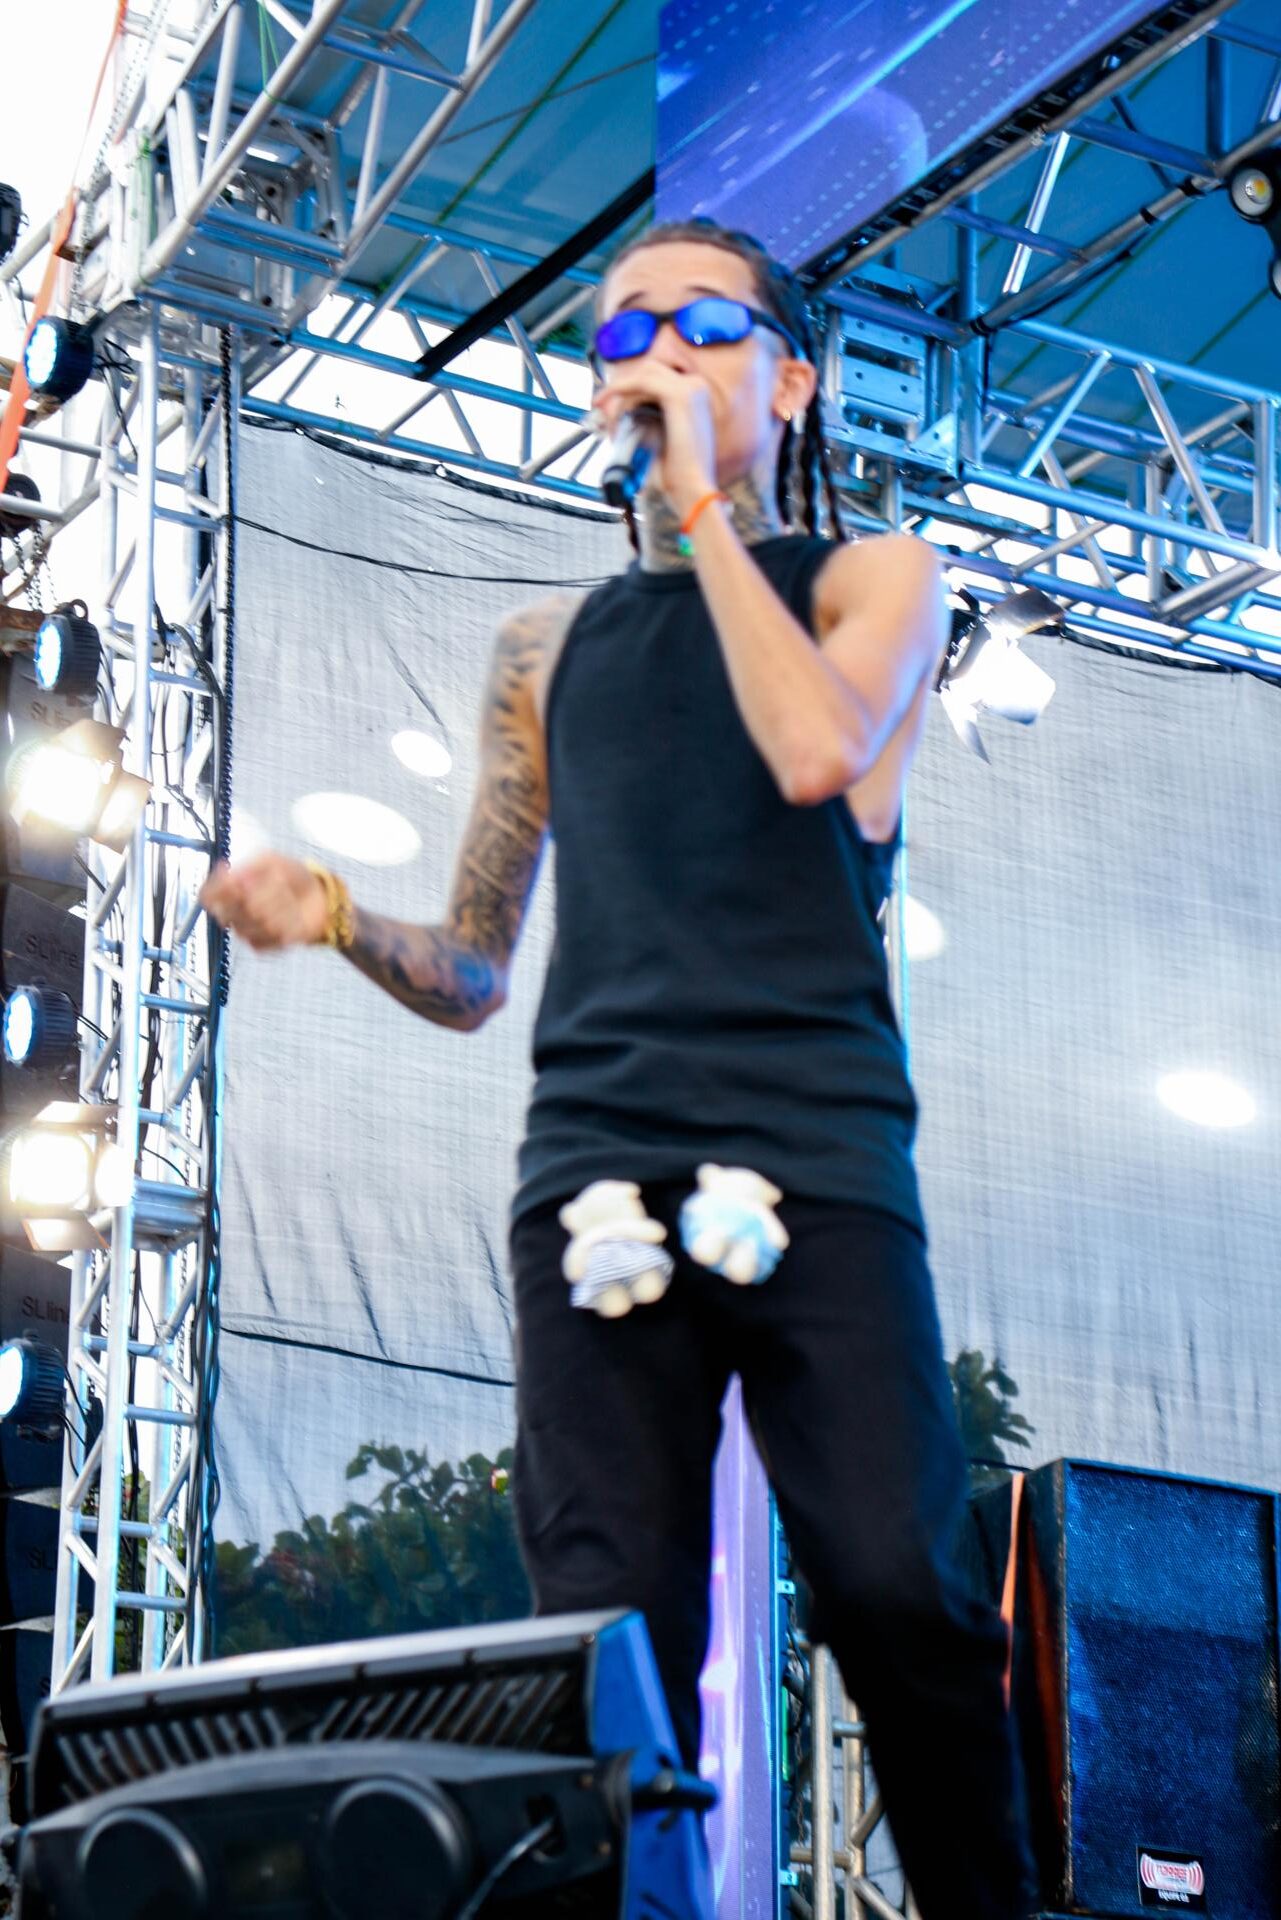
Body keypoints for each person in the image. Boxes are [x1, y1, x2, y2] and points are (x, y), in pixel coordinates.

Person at [200, 218, 1034, 1919]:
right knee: (603, 1639)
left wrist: (705, 509)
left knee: (896, 1584)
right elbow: (477, 969)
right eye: (618, 332)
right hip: (594, 1169)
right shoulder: (543, 648)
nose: (654, 353)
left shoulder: (875, 579)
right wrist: (335, 916)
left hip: (813, 1155)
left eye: (701, 324)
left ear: (788, 380)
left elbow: (810, 749)